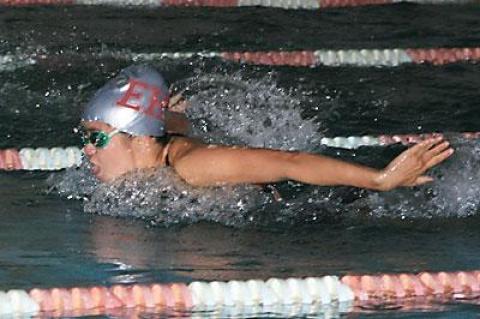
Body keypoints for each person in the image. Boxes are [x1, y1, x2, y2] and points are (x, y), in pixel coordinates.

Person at [81, 65, 453, 191]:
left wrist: (382, 180)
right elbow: (165, 123)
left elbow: (290, 162)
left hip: (320, 202)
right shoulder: (156, 144)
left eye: (97, 138)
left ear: (141, 138)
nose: (88, 150)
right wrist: (176, 116)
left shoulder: (192, 167)